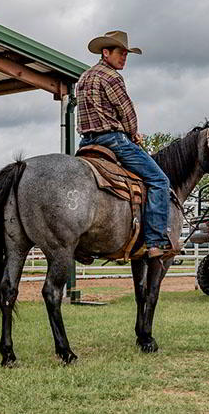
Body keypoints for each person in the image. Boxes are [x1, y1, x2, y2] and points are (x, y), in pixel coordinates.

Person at [76, 30, 172, 258]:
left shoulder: (84, 78)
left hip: (86, 143)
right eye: (121, 53)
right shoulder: (112, 77)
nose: (124, 58)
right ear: (106, 52)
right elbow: (127, 113)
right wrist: (133, 134)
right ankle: (155, 241)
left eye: (126, 54)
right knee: (160, 181)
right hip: (113, 141)